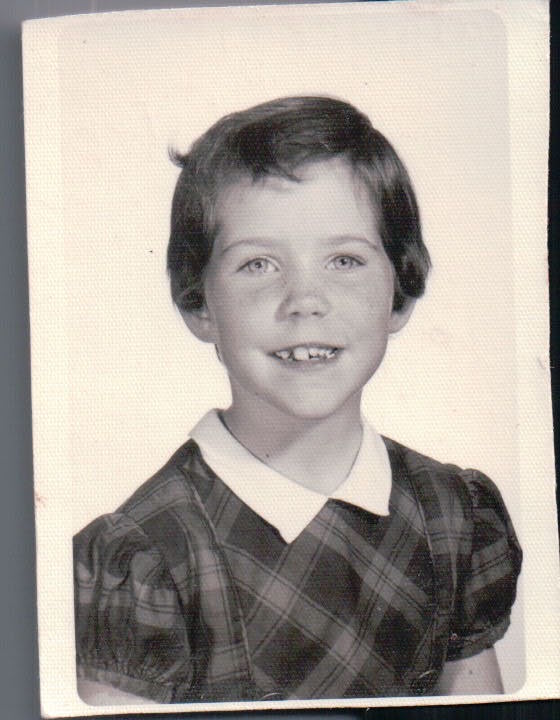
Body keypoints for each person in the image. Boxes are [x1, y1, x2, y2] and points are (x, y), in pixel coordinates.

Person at [73, 96, 522, 705]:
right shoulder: (148, 558)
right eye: (258, 264)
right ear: (197, 304)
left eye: (345, 259)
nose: (305, 299)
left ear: (401, 294)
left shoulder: (453, 517)